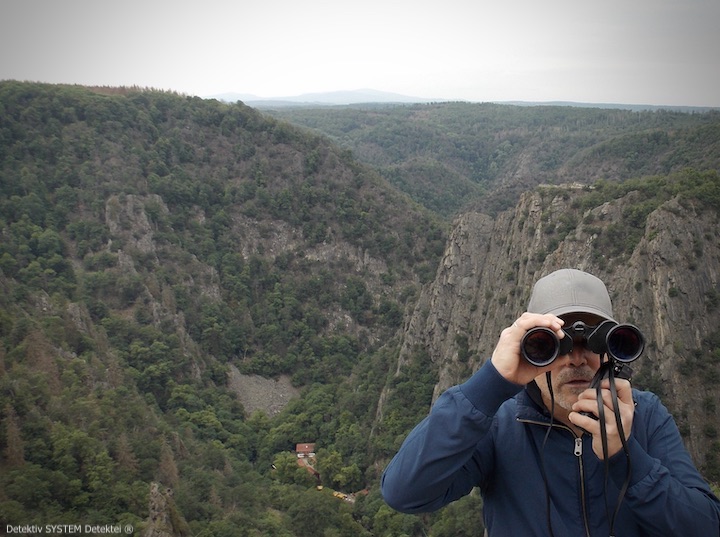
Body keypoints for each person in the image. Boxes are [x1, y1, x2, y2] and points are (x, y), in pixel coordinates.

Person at [381, 268, 720, 536]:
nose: (576, 359)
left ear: (611, 350)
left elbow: (705, 527)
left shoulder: (646, 415)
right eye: (553, 344)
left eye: (591, 340)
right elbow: (405, 492)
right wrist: (490, 384)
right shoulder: (500, 424)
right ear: (533, 351)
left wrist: (627, 459)